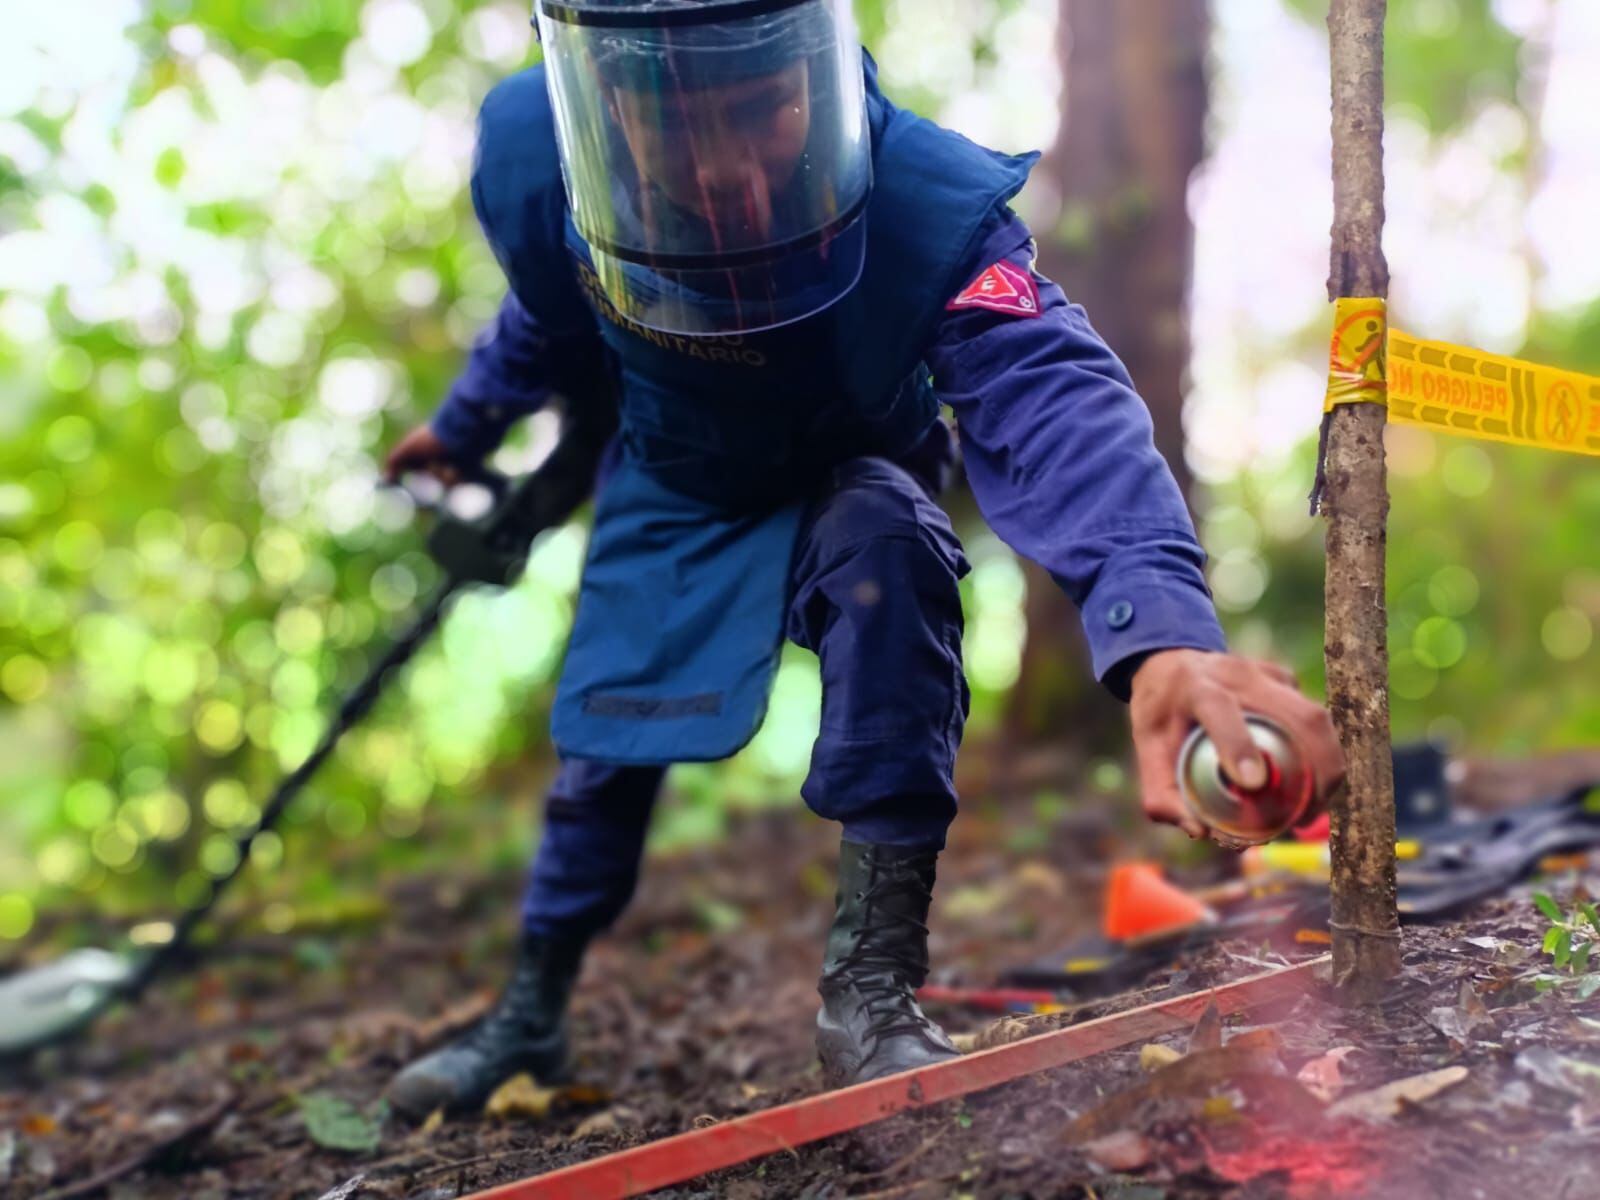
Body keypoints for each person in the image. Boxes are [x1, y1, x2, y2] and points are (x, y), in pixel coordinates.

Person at [382, 0, 1344, 1118]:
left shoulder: (919, 200)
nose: (735, 172)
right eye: (685, 127)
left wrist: (1162, 625)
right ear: (603, 109)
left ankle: (870, 996)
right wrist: (459, 430)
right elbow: (541, 324)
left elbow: (1050, 388)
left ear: (814, 69)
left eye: (766, 112)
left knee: (888, 541)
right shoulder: (532, 156)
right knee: (602, 746)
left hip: (848, 478)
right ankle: (529, 1015)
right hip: (673, 487)